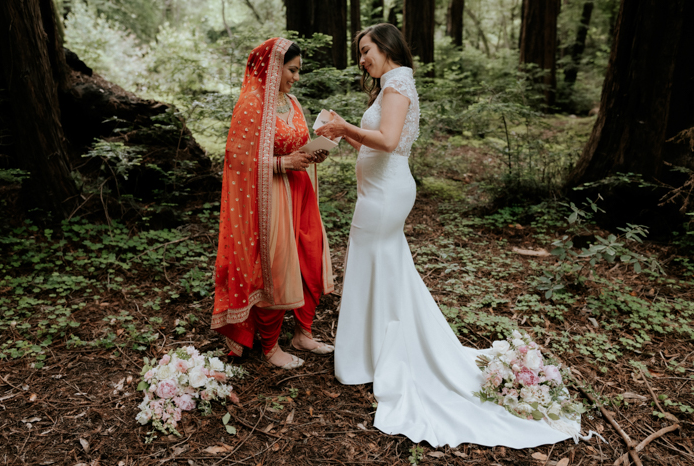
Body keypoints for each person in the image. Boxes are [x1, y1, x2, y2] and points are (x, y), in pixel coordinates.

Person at [316, 24, 580, 447]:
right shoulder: (390, 85)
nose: (362, 59)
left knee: (376, 261)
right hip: (382, 189)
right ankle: (372, 350)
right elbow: (378, 146)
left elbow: (386, 141)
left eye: (367, 50)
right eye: (360, 53)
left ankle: (373, 355)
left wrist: (346, 127)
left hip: (384, 195)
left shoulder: (398, 82)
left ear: (387, 47)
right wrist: (342, 136)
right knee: (384, 265)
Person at [212, 38, 335, 370]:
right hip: (269, 198)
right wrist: (283, 164)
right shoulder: (253, 104)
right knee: (277, 268)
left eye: (298, 71)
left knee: (310, 256)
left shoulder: (292, 102)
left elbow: (299, 146)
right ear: (273, 66)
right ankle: (270, 348)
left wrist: (314, 154)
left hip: (301, 191)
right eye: (292, 70)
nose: (296, 77)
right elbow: (237, 163)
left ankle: (303, 333)